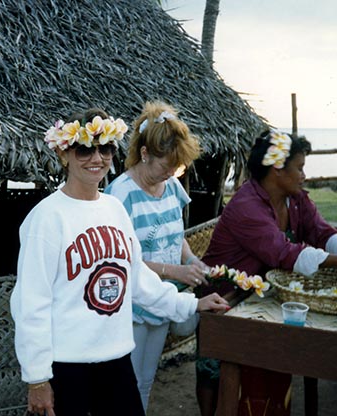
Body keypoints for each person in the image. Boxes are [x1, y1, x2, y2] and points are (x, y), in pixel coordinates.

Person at [10, 107, 230, 416]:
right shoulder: (46, 218)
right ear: (64, 154)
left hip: (116, 358)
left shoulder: (114, 209)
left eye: (106, 148)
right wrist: (37, 379)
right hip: (67, 364)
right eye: (84, 149)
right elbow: (31, 303)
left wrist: (192, 304)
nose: (96, 158)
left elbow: (137, 279)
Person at [197, 130, 337, 416]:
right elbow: (282, 252)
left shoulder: (296, 199)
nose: (303, 175)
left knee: (264, 366)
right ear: (277, 168)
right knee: (214, 370)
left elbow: (319, 230)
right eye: (299, 168)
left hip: (261, 298)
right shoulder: (246, 206)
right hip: (223, 300)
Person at [104, 100, 209, 412]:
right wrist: (174, 272)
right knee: (127, 384)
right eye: (165, 166)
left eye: (175, 167)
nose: (170, 173)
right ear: (145, 153)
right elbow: (120, 261)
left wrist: (190, 261)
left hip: (164, 298)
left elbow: (177, 236)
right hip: (132, 304)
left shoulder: (172, 186)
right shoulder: (120, 195)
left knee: (146, 380)